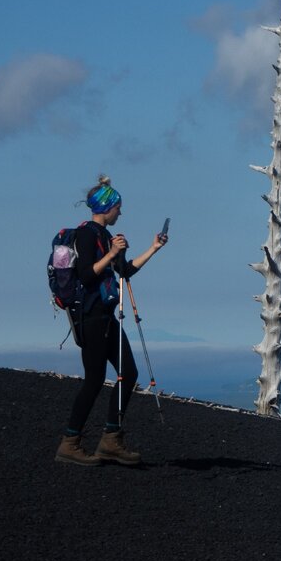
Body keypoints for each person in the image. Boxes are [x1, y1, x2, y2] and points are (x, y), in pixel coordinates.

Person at [55, 175, 167, 467]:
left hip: (105, 317)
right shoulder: (87, 235)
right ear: (107, 207)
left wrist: (154, 248)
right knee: (94, 380)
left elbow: (125, 271)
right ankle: (71, 442)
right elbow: (87, 274)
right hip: (90, 317)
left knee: (127, 374)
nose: (121, 212)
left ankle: (110, 440)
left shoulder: (105, 237)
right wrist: (114, 252)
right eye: (118, 207)